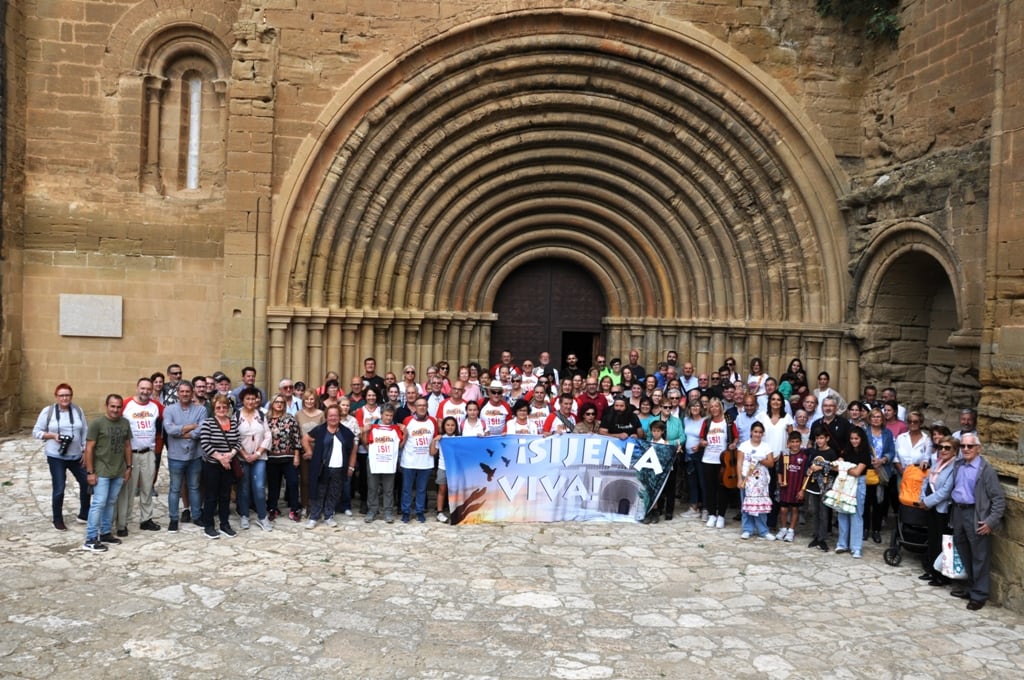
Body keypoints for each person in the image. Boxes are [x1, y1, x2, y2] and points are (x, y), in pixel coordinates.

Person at [949, 433, 1006, 610]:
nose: (966, 449)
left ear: (978, 448)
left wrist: (990, 521)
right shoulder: (958, 465)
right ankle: (970, 587)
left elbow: (999, 499)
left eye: (970, 446)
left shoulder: (985, 470)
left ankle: (979, 595)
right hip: (958, 512)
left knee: (980, 556)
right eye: (963, 446)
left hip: (976, 514)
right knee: (964, 552)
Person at [33, 383, 89, 531]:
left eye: (67, 395)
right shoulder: (48, 411)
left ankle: (84, 514)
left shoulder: (77, 410)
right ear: (56, 397)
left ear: (71, 396)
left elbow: (84, 431)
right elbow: (36, 432)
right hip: (56, 456)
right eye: (61, 395)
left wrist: (85, 451)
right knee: (59, 488)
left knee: (86, 482)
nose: (65, 398)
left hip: (76, 455)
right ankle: (57, 519)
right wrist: (52, 435)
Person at [80, 394, 132, 552]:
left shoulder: (124, 423)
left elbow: (127, 445)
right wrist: (90, 472)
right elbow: (89, 448)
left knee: (110, 502)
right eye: (112, 406)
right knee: (98, 503)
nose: (115, 410)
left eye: (118, 407)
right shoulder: (97, 423)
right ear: (106, 406)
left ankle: (105, 532)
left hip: (118, 469)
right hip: (101, 470)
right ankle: (90, 538)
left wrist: (129, 467)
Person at [115, 377, 163, 537]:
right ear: (137, 388)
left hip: (148, 452)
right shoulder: (127, 404)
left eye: (148, 389)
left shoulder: (156, 406)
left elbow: (167, 417)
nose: (145, 392)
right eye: (143, 388)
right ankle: (123, 522)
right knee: (128, 490)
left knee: (147, 488)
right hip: (131, 454)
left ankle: (146, 519)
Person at [162, 381, 207, 532]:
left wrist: (181, 432)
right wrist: (191, 427)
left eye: (188, 391)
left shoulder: (201, 410)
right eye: (182, 391)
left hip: (195, 455)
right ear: (178, 393)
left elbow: (201, 429)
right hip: (176, 456)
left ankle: (196, 515)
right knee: (175, 489)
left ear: (192, 392)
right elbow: (169, 429)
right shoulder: (169, 410)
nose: (185, 394)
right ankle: (173, 519)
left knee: (194, 487)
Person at [304, 404, 356, 529]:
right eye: (331, 415)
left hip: (339, 468)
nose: (333, 418)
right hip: (322, 468)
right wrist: (310, 452)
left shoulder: (346, 432)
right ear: (326, 417)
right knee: (319, 492)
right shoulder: (320, 430)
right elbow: (305, 438)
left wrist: (351, 467)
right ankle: (314, 517)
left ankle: (328, 515)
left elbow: (353, 449)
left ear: (339, 417)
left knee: (334, 493)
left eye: (336, 415)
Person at [198, 395, 241, 539]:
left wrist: (230, 455)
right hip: (212, 465)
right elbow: (205, 443)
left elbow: (238, 442)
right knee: (211, 496)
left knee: (225, 496)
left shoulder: (233, 423)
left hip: (227, 464)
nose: (222, 409)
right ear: (214, 408)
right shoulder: (208, 423)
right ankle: (208, 525)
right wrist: (221, 458)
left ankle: (224, 524)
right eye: (218, 407)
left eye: (224, 407)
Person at [918, 436, 958, 586]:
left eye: (948, 448)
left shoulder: (954, 467)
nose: (943, 450)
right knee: (933, 540)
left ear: (955, 451)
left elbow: (946, 491)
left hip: (942, 509)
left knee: (943, 542)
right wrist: (922, 498)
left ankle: (942, 575)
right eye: (941, 447)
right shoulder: (936, 463)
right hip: (931, 507)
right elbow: (926, 482)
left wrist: (927, 502)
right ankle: (932, 570)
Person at [234, 386, 273, 531]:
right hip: (242, 457)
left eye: (253, 398)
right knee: (244, 488)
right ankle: (244, 515)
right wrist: (244, 454)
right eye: (247, 399)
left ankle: (262, 517)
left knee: (259, 487)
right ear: (243, 400)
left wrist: (257, 453)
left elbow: (268, 436)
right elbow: (234, 437)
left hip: (259, 457)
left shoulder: (262, 415)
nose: (251, 401)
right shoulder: (236, 415)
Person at [700, 397, 737, 530]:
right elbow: (701, 438)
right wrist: (702, 442)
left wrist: (733, 444)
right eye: (712, 406)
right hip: (708, 459)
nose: (714, 409)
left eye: (717, 406)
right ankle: (711, 514)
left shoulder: (728, 421)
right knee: (710, 489)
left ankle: (721, 515)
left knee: (723, 488)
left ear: (721, 407)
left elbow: (736, 436)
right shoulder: (707, 422)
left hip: (723, 460)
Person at [834, 425, 871, 559]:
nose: (854, 441)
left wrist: (844, 468)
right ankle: (842, 543)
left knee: (856, 514)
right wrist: (842, 466)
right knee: (842, 512)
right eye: (852, 438)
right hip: (845, 483)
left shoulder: (865, 453)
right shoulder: (847, 451)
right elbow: (838, 464)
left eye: (856, 438)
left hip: (859, 483)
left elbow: (857, 472)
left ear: (861, 439)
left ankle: (856, 547)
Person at [266, 393, 303, 523]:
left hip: (288, 457)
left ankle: (294, 509)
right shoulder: (267, 419)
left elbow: (296, 438)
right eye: (277, 402)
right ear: (272, 403)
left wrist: (297, 456)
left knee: (293, 483)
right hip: (272, 458)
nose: (280, 404)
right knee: (273, 485)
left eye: (282, 402)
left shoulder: (290, 418)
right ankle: (273, 508)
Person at [400, 397, 438, 523]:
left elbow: (435, 439)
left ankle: (419, 511)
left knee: (422, 489)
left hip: (425, 461)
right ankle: (406, 511)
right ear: (415, 407)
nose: (422, 407)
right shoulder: (407, 420)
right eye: (419, 405)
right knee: (407, 489)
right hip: (409, 460)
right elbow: (402, 438)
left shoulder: (433, 421)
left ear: (427, 407)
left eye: (424, 405)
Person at [364, 403, 403, 523]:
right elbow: (366, 442)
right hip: (374, 460)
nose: (388, 418)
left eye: (391, 415)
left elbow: (400, 445)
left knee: (388, 488)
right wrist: (365, 432)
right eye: (386, 415)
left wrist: (405, 433)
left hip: (389, 461)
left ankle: (388, 511)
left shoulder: (396, 428)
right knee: (372, 487)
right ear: (381, 415)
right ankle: (372, 510)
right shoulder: (373, 427)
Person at [737, 421, 776, 540]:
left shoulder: (766, 446)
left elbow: (771, 463)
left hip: (760, 481)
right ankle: (747, 529)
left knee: (760, 505)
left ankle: (763, 530)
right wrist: (739, 479)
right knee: (746, 504)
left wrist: (761, 460)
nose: (757, 434)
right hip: (746, 478)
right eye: (755, 431)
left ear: (762, 434)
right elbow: (739, 463)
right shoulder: (744, 445)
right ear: (751, 432)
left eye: (760, 432)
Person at [803, 424, 839, 552]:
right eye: (817, 438)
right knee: (815, 511)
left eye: (822, 438)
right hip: (814, 486)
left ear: (827, 438)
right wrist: (809, 470)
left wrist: (822, 467)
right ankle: (816, 535)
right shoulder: (814, 452)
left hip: (826, 487)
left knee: (824, 513)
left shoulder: (831, 452)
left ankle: (823, 538)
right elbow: (810, 465)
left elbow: (836, 468)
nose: (819, 441)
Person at [864, 406, 896, 544]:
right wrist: (870, 460)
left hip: (881, 470)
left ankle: (876, 530)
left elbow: (891, 451)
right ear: (869, 419)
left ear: (882, 419)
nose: (876, 419)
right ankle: (865, 529)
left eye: (878, 417)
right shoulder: (865, 432)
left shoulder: (887, 433)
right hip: (867, 470)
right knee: (866, 501)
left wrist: (882, 460)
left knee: (879, 502)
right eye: (873, 417)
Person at [775, 430, 808, 542]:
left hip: (797, 486)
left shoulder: (804, 456)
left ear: (800, 442)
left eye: (797, 441)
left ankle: (791, 531)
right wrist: (780, 481)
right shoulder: (784, 454)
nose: (794, 444)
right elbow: (780, 470)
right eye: (792, 442)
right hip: (786, 487)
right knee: (783, 509)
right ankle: (783, 528)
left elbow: (805, 474)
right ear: (788, 443)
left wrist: (802, 490)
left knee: (795, 509)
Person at [295, 391, 325, 515]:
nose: (309, 401)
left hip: (318, 452)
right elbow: (296, 434)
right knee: (305, 480)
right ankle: (305, 505)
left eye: (312, 399)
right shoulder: (298, 415)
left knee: (318, 479)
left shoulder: (321, 414)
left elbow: (324, 433)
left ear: (316, 400)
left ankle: (317, 505)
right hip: (303, 452)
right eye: (307, 399)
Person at [431, 416, 460, 522]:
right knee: (442, 490)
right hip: (443, 467)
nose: (450, 427)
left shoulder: (459, 439)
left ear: (456, 427)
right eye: (448, 425)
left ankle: (455, 511)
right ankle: (439, 512)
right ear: (444, 426)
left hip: (456, 469)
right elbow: (433, 452)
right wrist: (434, 441)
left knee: (455, 491)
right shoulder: (441, 438)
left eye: (452, 425)